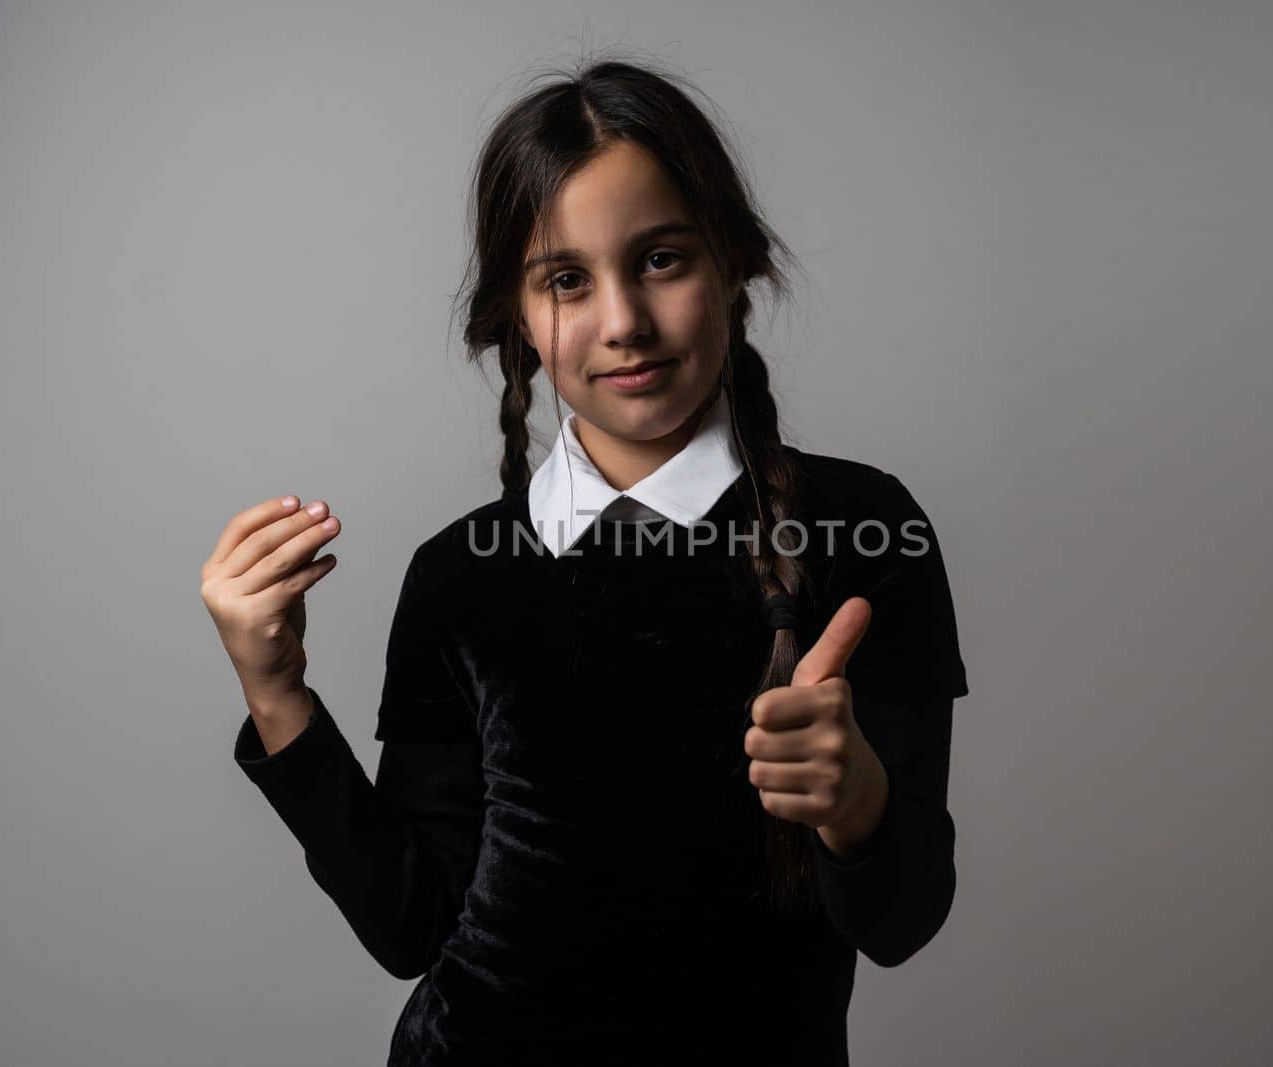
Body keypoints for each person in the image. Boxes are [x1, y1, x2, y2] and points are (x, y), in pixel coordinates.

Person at [200, 55, 969, 1067]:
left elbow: (901, 920)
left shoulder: (867, 529)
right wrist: (276, 692)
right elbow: (410, 927)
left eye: (660, 259)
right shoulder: (458, 573)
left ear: (731, 260)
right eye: (566, 279)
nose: (622, 322)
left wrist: (855, 799)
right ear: (517, 315)